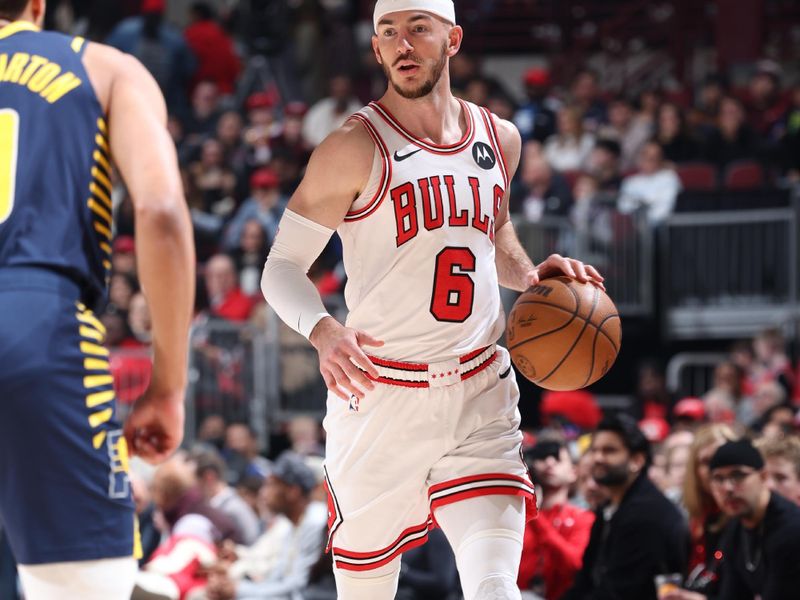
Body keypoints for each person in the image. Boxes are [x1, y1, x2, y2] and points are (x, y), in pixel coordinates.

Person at [260, 1, 604, 599]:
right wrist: (322, 329)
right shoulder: (352, 147)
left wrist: (530, 274)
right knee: (366, 591)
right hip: (380, 391)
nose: (403, 44)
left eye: (419, 29)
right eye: (388, 33)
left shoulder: (501, 138)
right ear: (375, 48)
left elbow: (488, 232)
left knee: (495, 585)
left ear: (453, 39)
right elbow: (280, 267)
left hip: (479, 385)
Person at [0, 2, 195, 599]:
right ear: (38, 5)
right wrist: (167, 386)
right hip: (39, 320)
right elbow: (161, 213)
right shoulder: (105, 67)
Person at [564, 415, 688, 600]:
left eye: (609, 451)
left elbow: (619, 593)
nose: (597, 458)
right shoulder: (609, 506)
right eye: (594, 450)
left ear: (636, 461)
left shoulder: (648, 513)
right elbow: (585, 581)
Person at [697, 439, 800, 599]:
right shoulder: (735, 525)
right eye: (718, 478)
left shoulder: (791, 529)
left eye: (738, 475)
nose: (727, 488)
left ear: (763, 477)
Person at [518, 436, 594, 600]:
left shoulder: (583, 517)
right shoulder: (518, 514)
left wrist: (535, 514)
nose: (549, 462)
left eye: (557, 458)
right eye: (543, 457)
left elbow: (574, 565)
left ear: (574, 472)